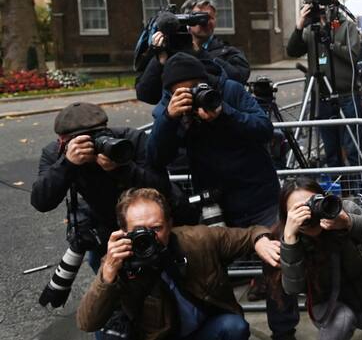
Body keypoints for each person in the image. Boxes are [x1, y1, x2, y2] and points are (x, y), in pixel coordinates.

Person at [145, 52, 299, 340]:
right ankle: (228, 328)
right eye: (181, 91)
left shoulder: (230, 90)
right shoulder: (168, 106)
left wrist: (224, 113)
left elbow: (264, 129)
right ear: (170, 92)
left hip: (258, 195)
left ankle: (283, 333)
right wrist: (169, 119)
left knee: (277, 260)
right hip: (214, 204)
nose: (191, 95)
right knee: (209, 268)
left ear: (205, 81)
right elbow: (155, 157)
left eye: (195, 88)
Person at [76, 188, 279, 339]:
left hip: (202, 330)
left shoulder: (197, 240)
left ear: (170, 224)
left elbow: (249, 234)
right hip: (157, 337)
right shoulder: (118, 261)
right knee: (108, 334)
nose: (150, 237)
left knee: (234, 327)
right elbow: (87, 322)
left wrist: (260, 240)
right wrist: (108, 272)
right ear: (124, 231)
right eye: (139, 231)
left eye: (156, 228)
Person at [265, 177, 362, 340]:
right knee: (342, 320)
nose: (309, 213)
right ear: (287, 216)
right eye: (299, 210)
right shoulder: (285, 237)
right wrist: (290, 240)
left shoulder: (342, 211)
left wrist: (349, 223)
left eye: (313, 203)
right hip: (329, 308)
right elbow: (293, 289)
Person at [32, 102, 169, 270]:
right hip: (104, 224)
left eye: (97, 136)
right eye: (84, 140)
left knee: (162, 268)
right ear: (63, 141)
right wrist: (67, 163)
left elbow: (163, 189)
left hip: (148, 222)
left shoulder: (130, 139)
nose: (92, 145)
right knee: (102, 267)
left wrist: (122, 168)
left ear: (106, 128)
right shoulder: (56, 153)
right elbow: (41, 202)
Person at [285, 2, 362, 172]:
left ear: (333, 7)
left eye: (324, 7)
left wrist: (331, 43)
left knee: (353, 147)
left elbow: (354, 55)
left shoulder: (347, 26)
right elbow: (292, 51)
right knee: (330, 150)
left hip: (347, 95)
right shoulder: (310, 30)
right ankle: (337, 185)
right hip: (322, 97)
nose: (321, 11)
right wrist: (299, 26)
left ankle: (358, 184)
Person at [135, 0, 250, 105]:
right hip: (177, 114)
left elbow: (238, 81)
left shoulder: (228, 52)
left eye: (210, 17)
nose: (205, 22)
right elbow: (146, 95)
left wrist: (199, 53)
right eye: (199, 17)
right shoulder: (170, 52)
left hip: (216, 110)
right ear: (187, 20)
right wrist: (159, 60)